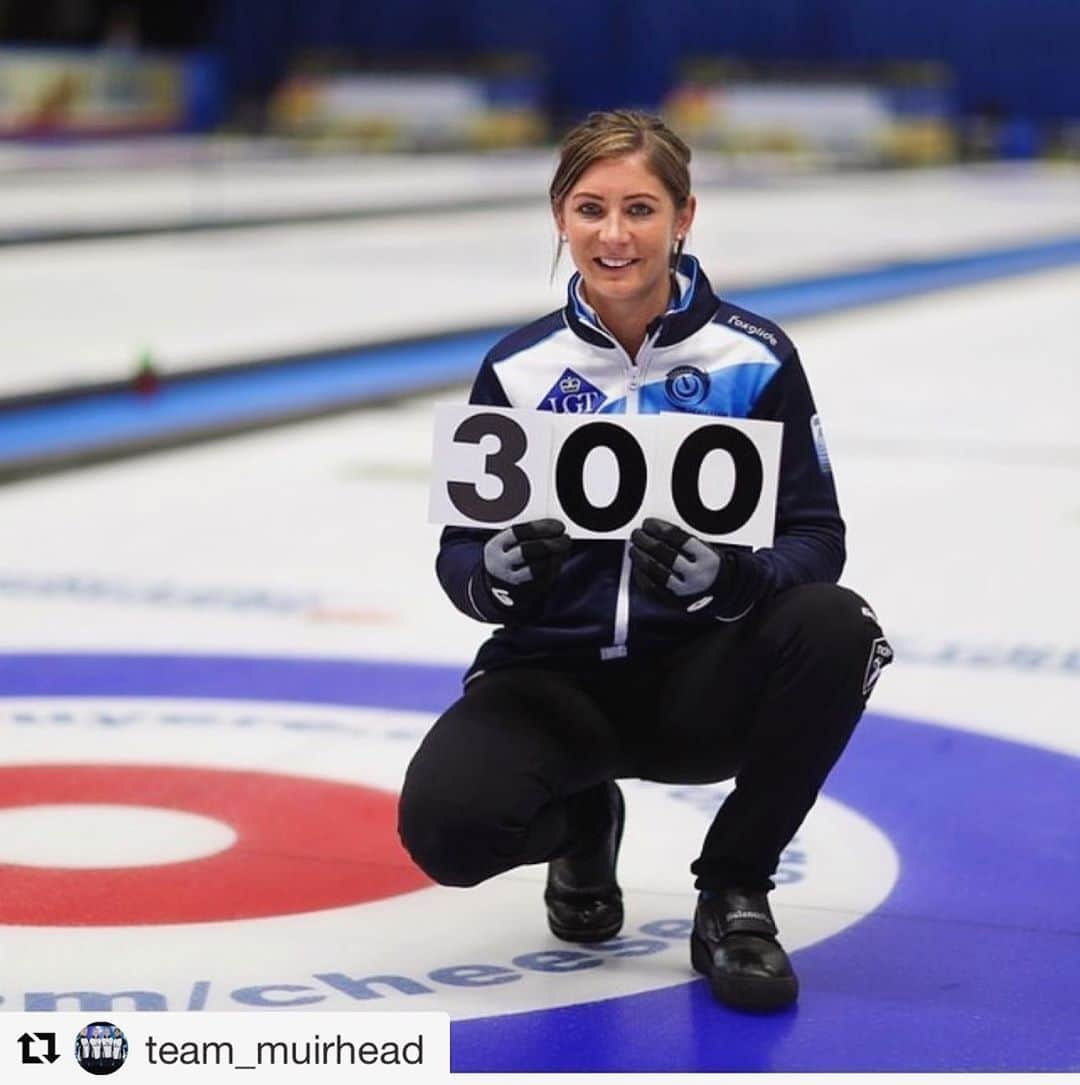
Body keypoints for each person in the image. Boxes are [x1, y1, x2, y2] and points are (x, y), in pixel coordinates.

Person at [398, 109, 892, 1012]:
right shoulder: (516, 369)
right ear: (559, 218)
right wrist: (491, 573)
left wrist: (742, 581)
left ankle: (734, 891)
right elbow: (458, 555)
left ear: (684, 217)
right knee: (446, 832)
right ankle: (581, 818)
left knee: (838, 625)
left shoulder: (755, 357)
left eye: (640, 209)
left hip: (699, 677)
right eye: (590, 209)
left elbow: (818, 537)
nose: (614, 235)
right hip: (554, 679)